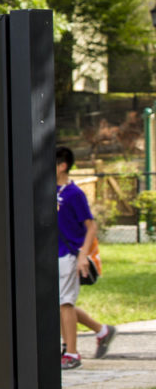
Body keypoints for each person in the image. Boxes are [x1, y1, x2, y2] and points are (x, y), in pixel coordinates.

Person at [56, 146, 116, 370]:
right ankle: (102, 331)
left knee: (65, 303)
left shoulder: (74, 194)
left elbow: (91, 227)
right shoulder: (50, 190)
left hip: (70, 255)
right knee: (59, 303)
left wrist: (82, 256)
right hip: (54, 254)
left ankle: (72, 352)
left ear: (62, 166)